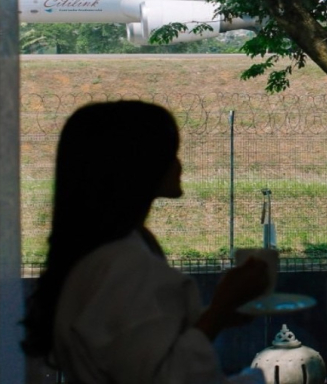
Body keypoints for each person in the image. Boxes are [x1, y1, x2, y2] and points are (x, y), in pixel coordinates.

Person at [22, 100, 268, 384]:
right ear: (138, 166)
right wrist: (220, 307)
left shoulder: (98, 253)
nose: (179, 164)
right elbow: (165, 376)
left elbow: (127, 341)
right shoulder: (127, 267)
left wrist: (214, 315)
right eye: (169, 154)